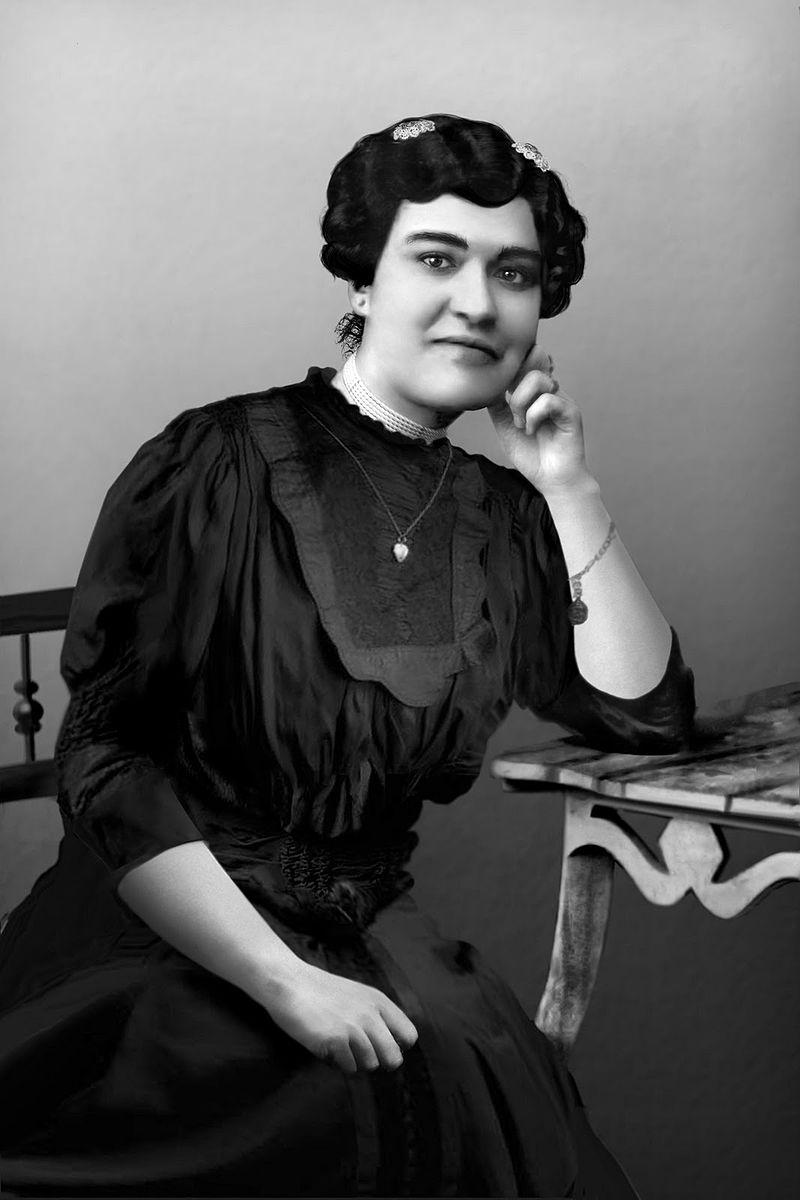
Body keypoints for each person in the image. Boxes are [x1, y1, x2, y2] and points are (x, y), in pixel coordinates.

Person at [0, 113, 695, 1198]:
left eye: (512, 272)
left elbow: (643, 714)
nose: (479, 302)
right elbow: (107, 760)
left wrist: (566, 484)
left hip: (370, 930)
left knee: (463, 1097)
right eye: (437, 259)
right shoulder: (216, 462)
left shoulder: (505, 514)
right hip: (168, 931)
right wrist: (281, 980)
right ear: (364, 280)